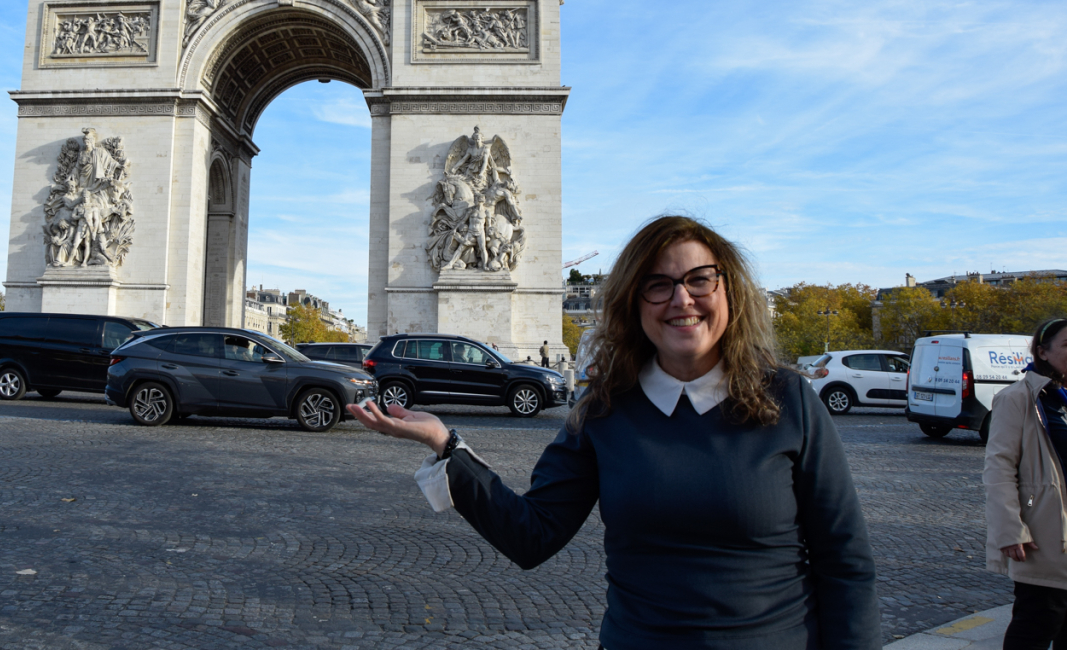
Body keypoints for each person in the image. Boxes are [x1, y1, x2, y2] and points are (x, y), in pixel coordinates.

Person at [349, 215, 879, 649]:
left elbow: (846, 563)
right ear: (633, 304)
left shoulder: (790, 400)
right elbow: (531, 535)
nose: (682, 299)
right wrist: (445, 445)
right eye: (658, 285)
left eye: (700, 279)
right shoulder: (603, 412)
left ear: (729, 291)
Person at [985, 317, 1067, 649]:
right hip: (1042, 531)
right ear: (1042, 352)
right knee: (1038, 622)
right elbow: (999, 467)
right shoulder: (1018, 398)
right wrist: (1009, 528)